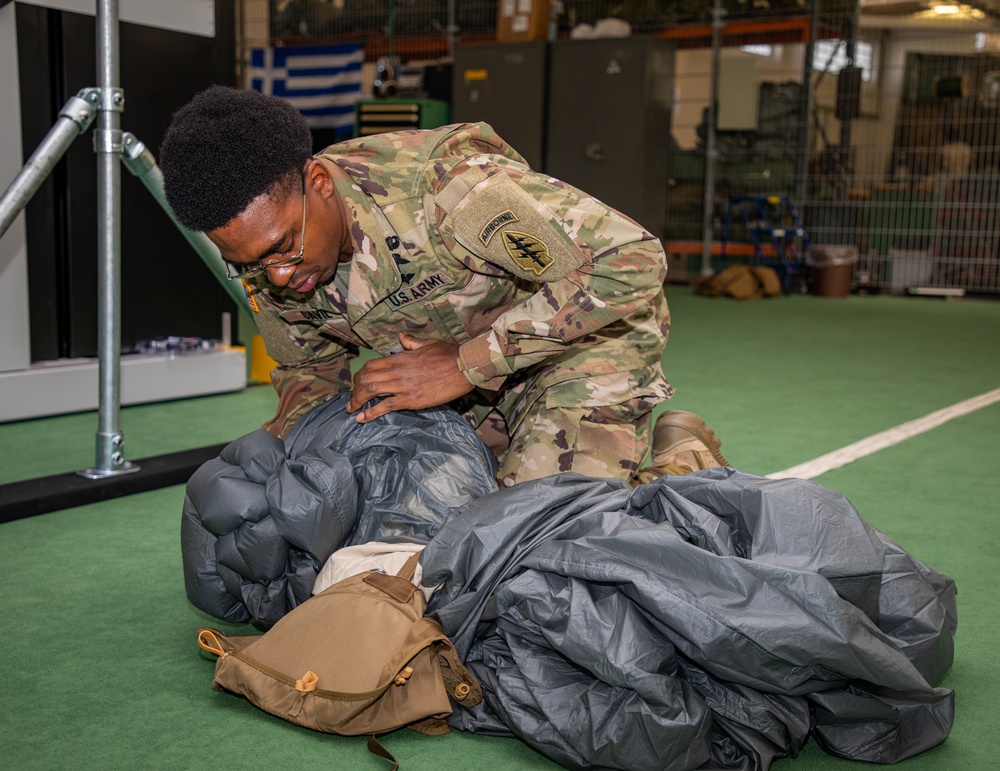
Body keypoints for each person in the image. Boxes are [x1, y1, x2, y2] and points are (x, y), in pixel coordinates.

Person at [160, 85, 728, 486]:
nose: (278, 276)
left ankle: (681, 460)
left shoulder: (446, 190)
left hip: (582, 346)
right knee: (429, 523)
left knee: (539, 537)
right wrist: (307, 464)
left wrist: (464, 364)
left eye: (282, 248)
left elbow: (629, 259)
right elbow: (307, 372)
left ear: (318, 183)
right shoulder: (271, 259)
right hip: (466, 390)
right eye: (251, 266)